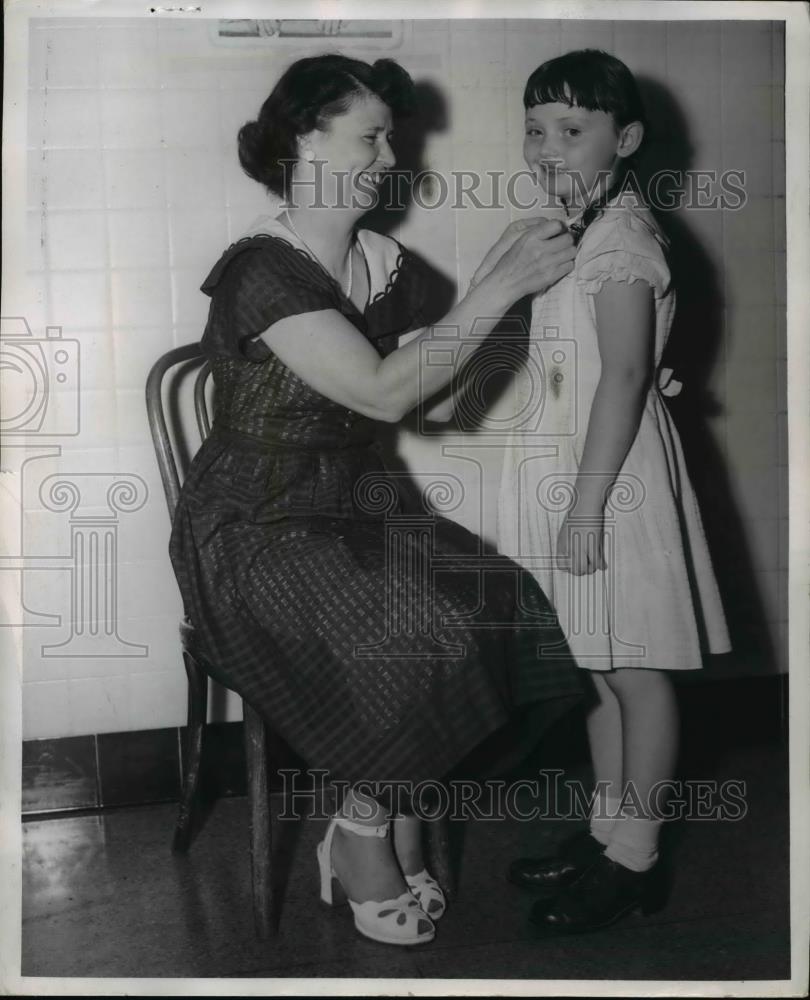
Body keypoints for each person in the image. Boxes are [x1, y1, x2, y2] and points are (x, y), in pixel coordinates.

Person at [168, 53, 583, 948]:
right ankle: (361, 837)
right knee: (405, 631)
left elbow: (424, 396)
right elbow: (385, 393)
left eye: (389, 136)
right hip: (253, 522)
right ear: (302, 140)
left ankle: (373, 812)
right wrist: (500, 285)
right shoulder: (259, 270)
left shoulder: (381, 261)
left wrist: (536, 334)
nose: (390, 155)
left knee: (499, 601)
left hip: (354, 501)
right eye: (369, 135)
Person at [492, 50, 732, 932]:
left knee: (637, 670)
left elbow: (627, 375)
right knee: (593, 670)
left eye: (572, 130)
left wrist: (587, 503)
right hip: (578, 470)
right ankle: (604, 835)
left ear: (624, 139)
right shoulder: (577, 229)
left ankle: (637, 861)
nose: (546, 147)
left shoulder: (625, 237)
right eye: (534, 130)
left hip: (613, 481)